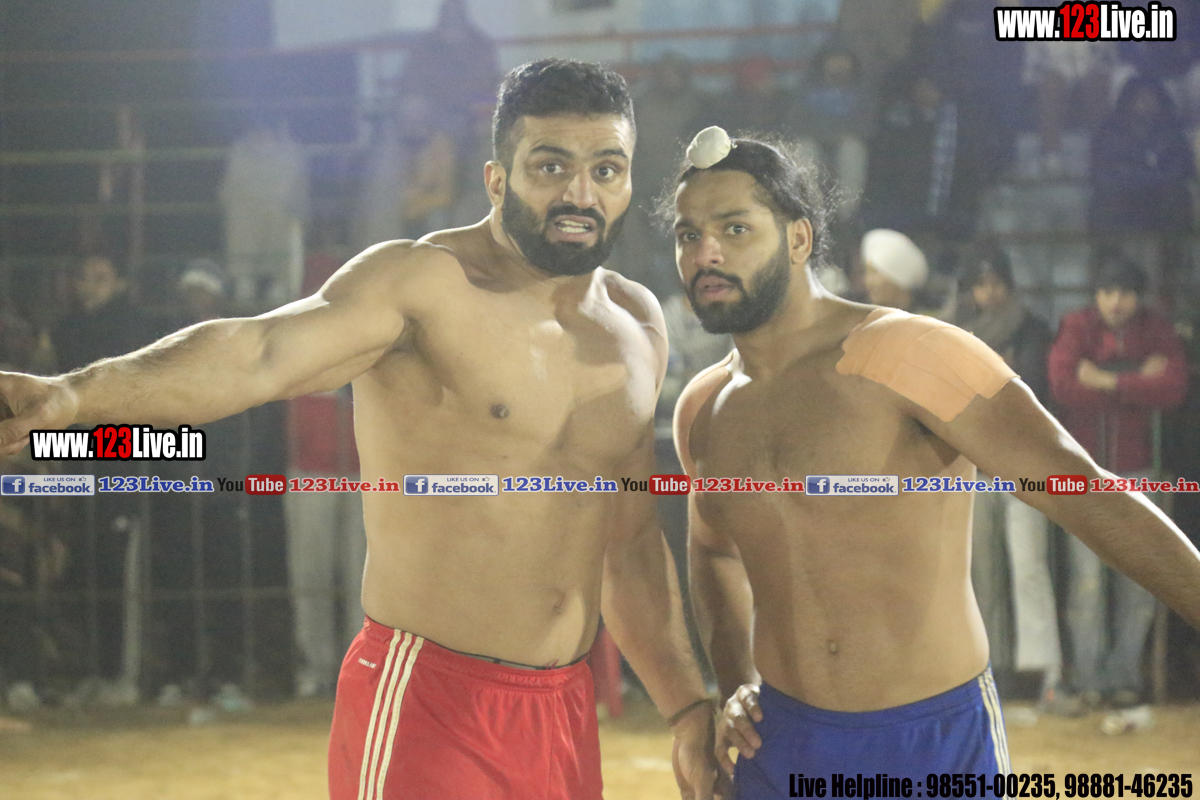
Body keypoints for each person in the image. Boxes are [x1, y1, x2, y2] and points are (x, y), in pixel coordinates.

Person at [0, 59, 717, 800]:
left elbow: (631, 544)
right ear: (497, 179)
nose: (580, 194)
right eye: (551, 166)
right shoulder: (422, 282)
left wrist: (689, 710)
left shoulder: (635, 324)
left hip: (561, 716)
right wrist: (73, 396)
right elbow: (257, 353)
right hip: (429, 702)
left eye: (606, 169)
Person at [663, 130, 1200, 794]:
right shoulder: (705, 408)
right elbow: (714, 551)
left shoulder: (909, 355)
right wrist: (735, 679)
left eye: (735, 228)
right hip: (783, 740)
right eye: (688, 235)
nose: (706, 254)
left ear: (799, 239)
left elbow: (1084, 491)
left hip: (931, 743)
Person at [1048, 256, 1188, 709]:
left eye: (1125, 293)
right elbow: (1063, 386)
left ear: (1138, 297)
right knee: (1087, 580)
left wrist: (1105, 379)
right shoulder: (1076, 326)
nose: (1115, 302)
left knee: (1139, 580)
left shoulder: (1158, 329)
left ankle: (1125, 676)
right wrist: (1136, 380)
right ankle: (1090, 678)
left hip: (1141, 470)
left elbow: (1173, 388)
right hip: (1084, 472)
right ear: (1096, 295)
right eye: (1108, 292)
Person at [958, 244, 1066, 710]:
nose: (990, 292)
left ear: (1010, 284)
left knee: (1029, 571)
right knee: (981, 576)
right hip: (974, 469)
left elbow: (1034, 395)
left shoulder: (1033, 330)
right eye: (981, 284)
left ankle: (1047, 678)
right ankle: (990, 672)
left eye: (996, 282)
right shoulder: (954, 332)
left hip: (1024, 471)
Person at [859, 228, 927, 312]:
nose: (869, 282)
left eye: (875, 273)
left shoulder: (928, 318)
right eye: (867, 272)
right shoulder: (861, 318)